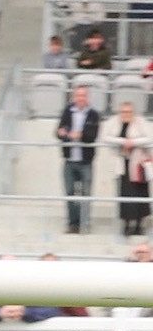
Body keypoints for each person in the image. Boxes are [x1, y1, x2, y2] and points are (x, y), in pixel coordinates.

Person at [57, 83, 101, 234]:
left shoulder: (94, 114)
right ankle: (72, 224)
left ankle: (85, 223)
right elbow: (59, 131)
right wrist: (64, 133)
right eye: (78, 95)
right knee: (70, 192)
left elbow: (92, 136)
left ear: (87, 97)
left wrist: (79, 134)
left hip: (86, 161)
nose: (80, 98)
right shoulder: (67, 111)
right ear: (74, 96)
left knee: (86, 193)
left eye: (83, 95)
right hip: (69, 160)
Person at [116, 99, 153, 237]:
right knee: (125, 194)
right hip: (124, 164)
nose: (126, 114)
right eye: (124, 111)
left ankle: (138, 224)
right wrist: (123, 142)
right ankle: (126, 224)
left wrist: (133, 143)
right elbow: (109, 138)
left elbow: (149, 138)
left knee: (140, 192)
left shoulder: (141, 122)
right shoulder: (117, 124)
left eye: (129, 111)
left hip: (138, 165)